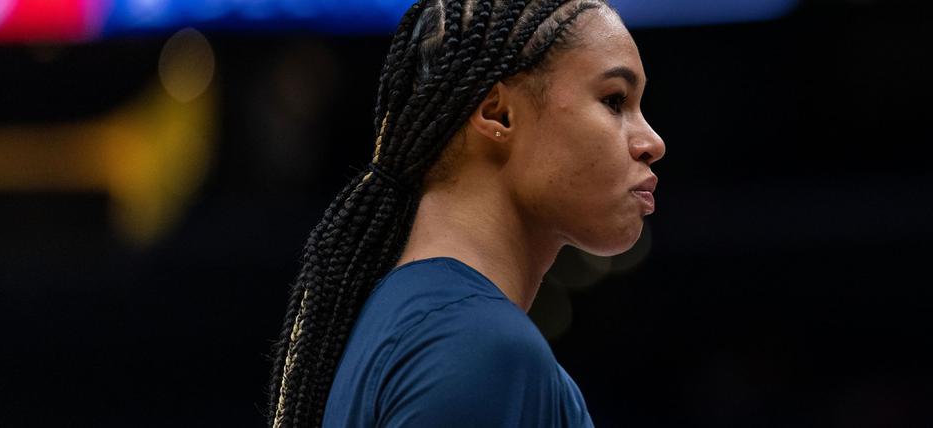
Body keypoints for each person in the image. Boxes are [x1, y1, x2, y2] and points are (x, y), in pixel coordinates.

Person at [267, 0, 665, 426]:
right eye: (614, 100)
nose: (653, 142)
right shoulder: (477, 345)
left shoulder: (404, 324)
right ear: (499, 113)